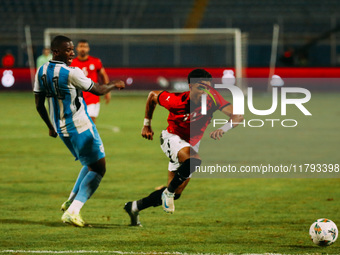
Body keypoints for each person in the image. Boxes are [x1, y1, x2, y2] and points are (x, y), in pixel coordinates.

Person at [124, 69, 244, 226]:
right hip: (172, 138)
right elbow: (153, 95)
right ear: (190, 86)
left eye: (207, 87)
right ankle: (168, 193)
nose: (205, 91)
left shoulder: (212, 97)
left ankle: (133, 207)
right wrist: (146, 124)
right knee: (193, 161)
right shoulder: (175, 100)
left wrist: (223, 128)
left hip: (191, 144)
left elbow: (237, 115)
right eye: (201, 87)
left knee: (177, 192)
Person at [34, 35, 125, 227]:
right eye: (68, 50)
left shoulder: (41, 71)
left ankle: (70, 201)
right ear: (56, 51)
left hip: (62, 129)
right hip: (81, 125)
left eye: (73, 49)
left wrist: (50, 126)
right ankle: (73, 211)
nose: (72, 53)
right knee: (99, 168)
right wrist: (114, 85)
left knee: (89, 162)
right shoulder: (71, 72)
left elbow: (39, 104)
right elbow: (98, 89)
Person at [71, 39, 110, 123]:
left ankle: (90, 136)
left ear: (88, 49)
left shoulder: (95, 61)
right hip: (77, 98)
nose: (83, 49)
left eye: (85, 46)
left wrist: (107, 91)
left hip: (92, 97)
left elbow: (103, 75)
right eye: (81, 46)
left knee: (90, 121)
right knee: (78, 123)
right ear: (77, 48)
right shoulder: (72, 63)